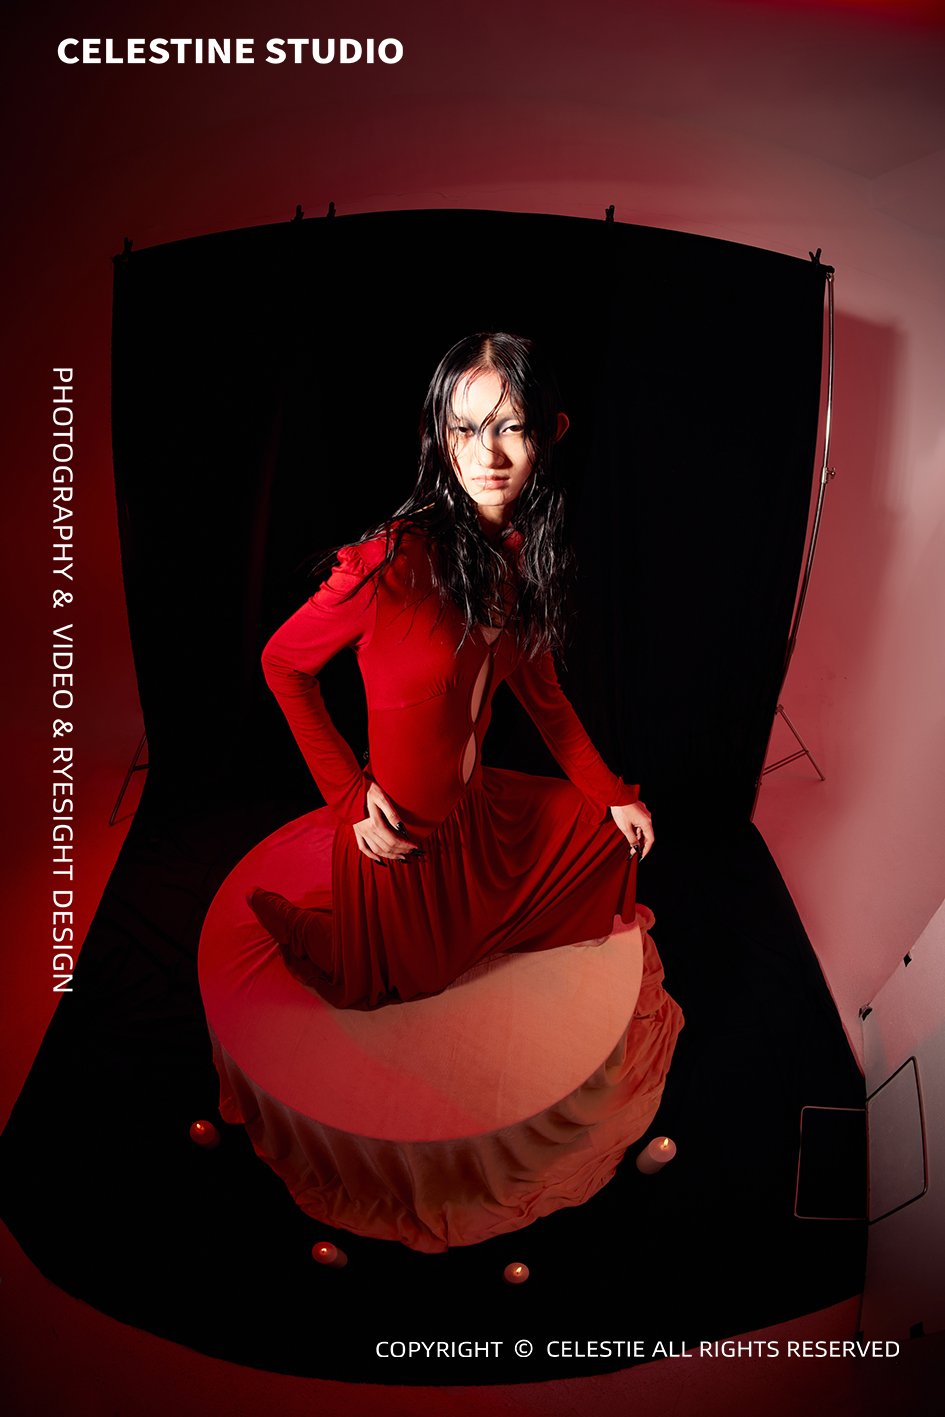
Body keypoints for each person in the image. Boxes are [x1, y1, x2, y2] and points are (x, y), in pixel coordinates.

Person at [248, 331, 654, 1009]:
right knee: (398, 982)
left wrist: (613, 793)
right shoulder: (387, 564)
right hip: (400, 836)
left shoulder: (521, 560)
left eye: (510, 427)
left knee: (606, 835)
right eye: (464, 429)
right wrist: (347, 796)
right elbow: (283, 664)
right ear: (439, 437)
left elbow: (546, 702)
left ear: (547, 434)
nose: (486, 455)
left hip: (474, 817)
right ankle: (295, 921)